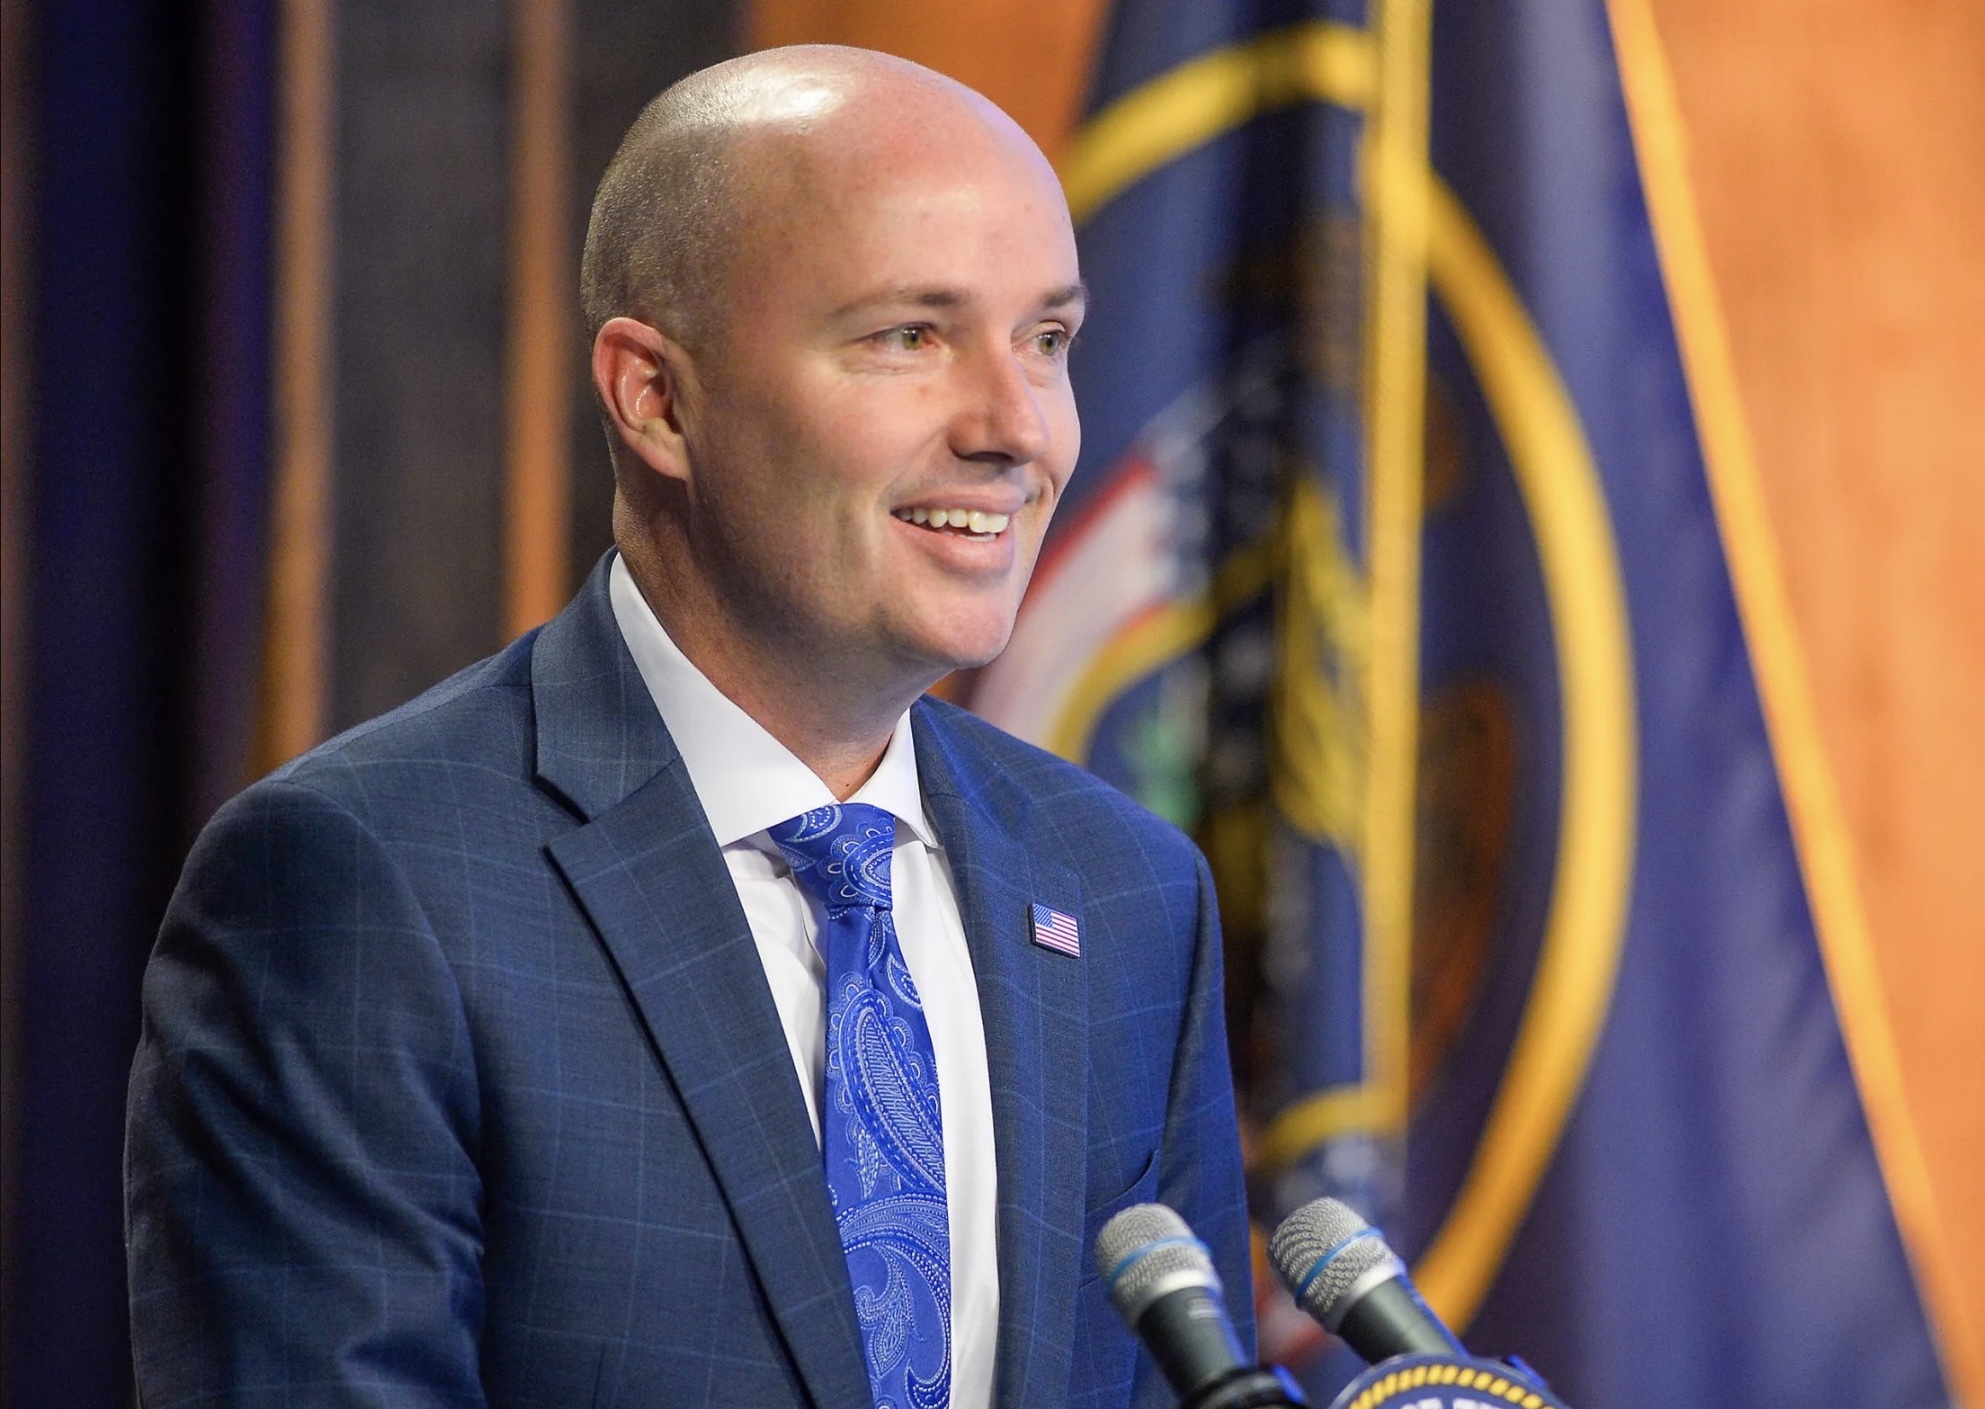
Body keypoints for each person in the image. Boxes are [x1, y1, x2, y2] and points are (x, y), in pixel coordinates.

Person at [125, 47, 1249, 1408]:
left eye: (1046, 340)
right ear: (655, 394)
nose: (1016, 427)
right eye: (910, 335)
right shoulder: (365, 882)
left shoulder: (1124, 889)